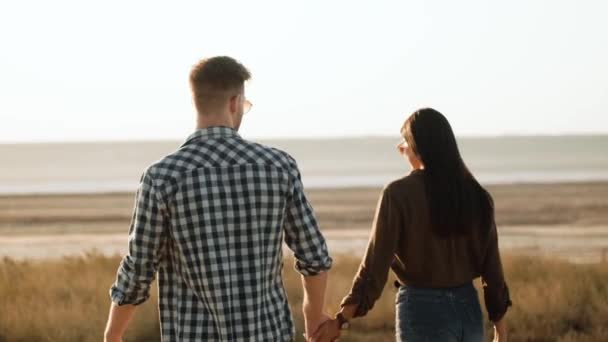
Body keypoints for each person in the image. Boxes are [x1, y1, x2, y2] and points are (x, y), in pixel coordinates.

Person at [104, 56, 333, 342]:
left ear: (196, 101)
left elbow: (138, 269)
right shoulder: (279, 166)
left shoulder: (163, 177)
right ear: (235, 102)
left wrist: (112, 334)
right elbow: (314, 256)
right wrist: (313, 321)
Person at [311, 108, 511, 342]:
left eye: (405, 141)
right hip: (468, 310)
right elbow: (492, 269)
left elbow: (374, 267)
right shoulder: (476, 195)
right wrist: (500, 326)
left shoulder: (398, 194)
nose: (400, 148)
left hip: (422, 310)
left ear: (419, 145)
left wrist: (341, 320)